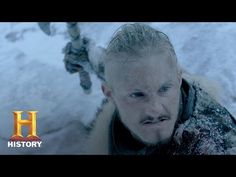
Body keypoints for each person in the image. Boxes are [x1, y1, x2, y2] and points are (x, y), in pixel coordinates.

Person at [84, 23, 236, 155]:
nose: (155, 109)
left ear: (178, 81)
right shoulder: (108, 135)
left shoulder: (216, 141)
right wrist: (90, 55)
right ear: (110, 94)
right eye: (137, 95)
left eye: (164, 89)